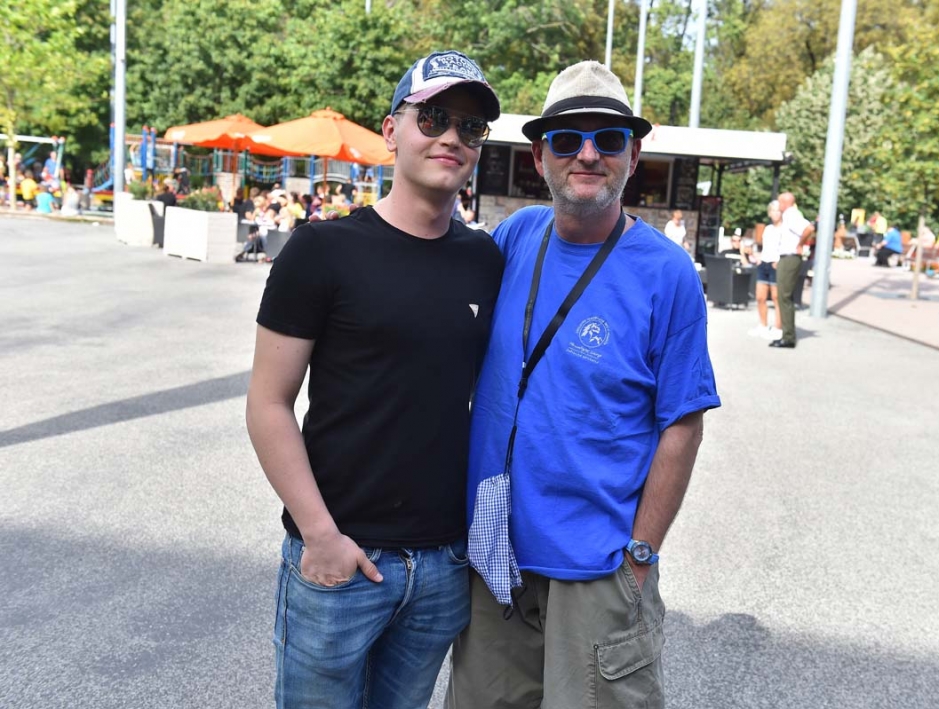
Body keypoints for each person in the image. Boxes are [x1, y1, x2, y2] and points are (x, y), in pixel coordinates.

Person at [446, 60, 719, 709]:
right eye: (567, 139)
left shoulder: (667, 274)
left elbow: (682, 423)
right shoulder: (517, 236)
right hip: (495, 555)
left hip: (597, 571)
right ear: (540, 156)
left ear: (634, 155)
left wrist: (640, 557)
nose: (588, 154)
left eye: (609, 139)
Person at [245, 50, 502, 709]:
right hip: (340, 559)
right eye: (434, 118)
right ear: (392, 130)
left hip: (443, 565)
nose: (451, 137)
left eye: (470, 126)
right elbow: (269, 403)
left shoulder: (484, 259)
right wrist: (320, 535)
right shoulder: (322, 249)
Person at [770, 191, 814, 349]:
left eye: (779, 202)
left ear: (784, 203)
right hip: (787, 257)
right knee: (783, 296)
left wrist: (800, 244)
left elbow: (809, 228)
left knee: (784, 297)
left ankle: (788, 337)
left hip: (790, 257)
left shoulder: (791, 214)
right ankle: (787, 334)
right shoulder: (790, 214)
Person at [750, 200, 783, 340]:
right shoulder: (768, 229)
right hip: (764, 263)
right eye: (773, 210)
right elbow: (765, 247)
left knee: (776, 298)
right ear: (769, 213)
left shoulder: (785, 229)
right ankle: (763, 325)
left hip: (777, 264)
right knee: (760, 297)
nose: (776, 213)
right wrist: (759, 257)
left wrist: (779, 261)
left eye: (778, 210)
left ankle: (778, 328)